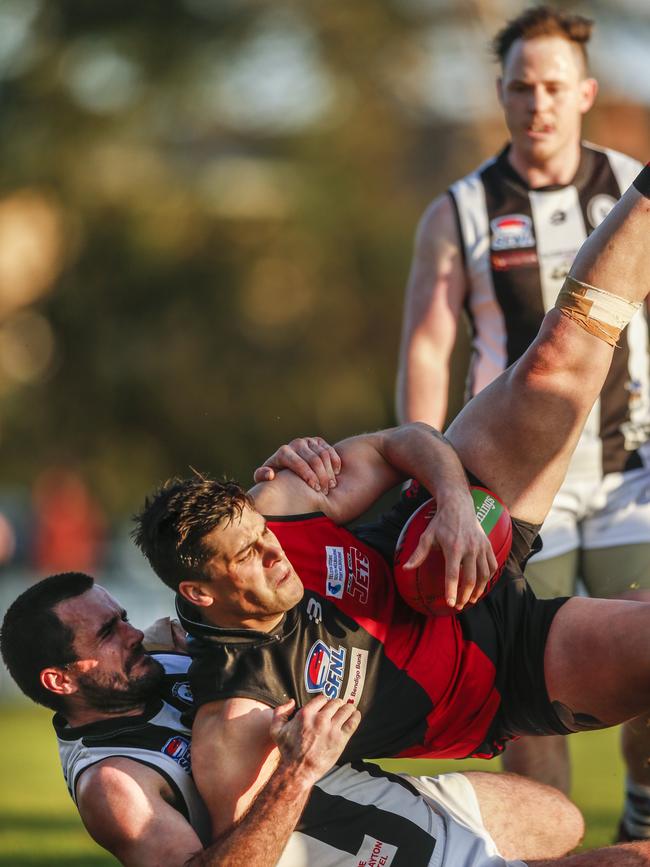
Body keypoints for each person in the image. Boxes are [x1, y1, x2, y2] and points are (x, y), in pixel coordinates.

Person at [133, 164, 650, 846]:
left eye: (262, 533)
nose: (272, 551)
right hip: (505, 665)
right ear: (200, 592)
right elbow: (250, 846)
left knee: (558, 354)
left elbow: (400, 441)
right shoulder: (237, 710)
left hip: (450, 520)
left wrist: (455, 504)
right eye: (250, 557)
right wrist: (301, 766)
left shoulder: (280, 503)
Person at [394, 4, 650, 833]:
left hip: (628, 475)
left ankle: (642, 826)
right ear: (499, 96)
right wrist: (428, 482)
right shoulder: (461, 211)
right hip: (515, 492)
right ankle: (547, 847)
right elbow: (429, 354)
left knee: (645, 657)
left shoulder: (630, 185)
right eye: (518, 87)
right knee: (529, 692)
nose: (536, 103)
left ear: (585, 93)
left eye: (551, 87)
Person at [0, 571, 591, 867]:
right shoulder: (114, 786)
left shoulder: (153, 659)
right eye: (108, 633)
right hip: (346, 848)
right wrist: (298, 771)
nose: (132, 634)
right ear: (61, 680)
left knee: (562, 821)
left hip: (378, 794)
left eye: (123, 618)